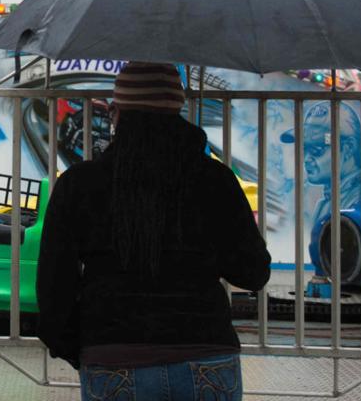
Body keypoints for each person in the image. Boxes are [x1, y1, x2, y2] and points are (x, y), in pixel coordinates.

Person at [35, 62, 270, 401]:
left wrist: (83, 350)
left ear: (117, 114)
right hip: (205, 354)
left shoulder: (79, 184)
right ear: (179, 112)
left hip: (111, 355)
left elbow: (53, 288)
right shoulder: (214, 180)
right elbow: (254, 272)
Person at [279, 101, 361, 229]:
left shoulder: (360, 201)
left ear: (349, 148)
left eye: (316, 150)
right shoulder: (325, 204)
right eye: (304, 149)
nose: (306, 159)